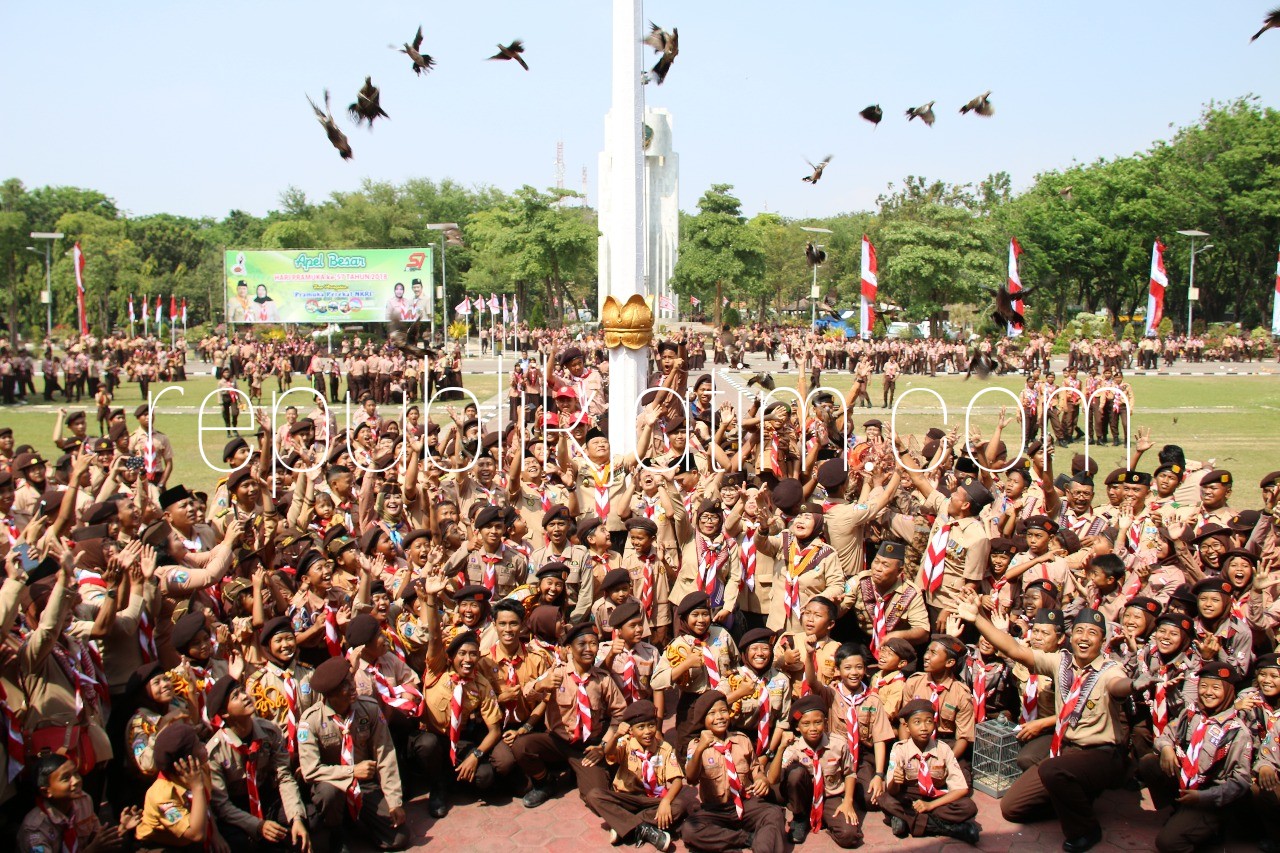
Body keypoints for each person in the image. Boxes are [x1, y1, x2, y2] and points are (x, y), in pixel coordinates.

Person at [958, 590, 1143, 853]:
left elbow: (1119, 686)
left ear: (1103, 640)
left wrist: (1133, 685)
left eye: (1092, 633)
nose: (1084, 638)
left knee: (1052, 770)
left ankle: (1086, 829)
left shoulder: (1110, 669)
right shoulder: (1062, 661)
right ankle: (1074, 800)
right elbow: (1015, 650)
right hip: (1065, 747)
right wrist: (977, 619)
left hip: (1102, 754)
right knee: (1012, 808)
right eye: (1080, 631)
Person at [1137, 662, 1253, 853]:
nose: (1208, 692)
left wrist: (1203, 797)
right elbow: (1166, 734)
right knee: (1149, 763)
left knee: (1168, 843)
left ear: (1229, 691)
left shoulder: (1237, 732)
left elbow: (1241, 781)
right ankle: (1179, 810)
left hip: (1209, 796)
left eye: (1216, 688)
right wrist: (1166, 748)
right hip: (1185, 782)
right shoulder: (1191, 714)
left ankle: (1211, 827)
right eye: (1203, 686)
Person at [297, 657, 409, 852]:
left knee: (398, 839)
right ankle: (336, 831)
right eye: (345, 685)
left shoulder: (369, 709)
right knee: (328, 794)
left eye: (351, 680)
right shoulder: (311, 721)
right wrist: (352, 772)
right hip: (333, 785)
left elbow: (386, 754)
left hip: (364, 786)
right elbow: (310, 771)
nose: (353, 687)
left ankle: (357, 820)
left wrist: (394, 801)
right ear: (330, 694)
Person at [204, 676, 312, 852]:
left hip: (267, 797)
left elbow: (284, 777)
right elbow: (222, 806)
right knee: (239, 843)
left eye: (242, 691)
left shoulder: (270, 731)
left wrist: (297, 818)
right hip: (237, 808)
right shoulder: (215, 752)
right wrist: (258, 825)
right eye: (235, 697)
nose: (245, 696)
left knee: (302, 824)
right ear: (224, 713)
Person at [680, 690, 787, 853]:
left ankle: (761, 849)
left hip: (746, 802)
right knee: (690, 829)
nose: (719, 717)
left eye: (723, 711)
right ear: (703, 719)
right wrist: (701, 747)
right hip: (716, 809)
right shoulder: (695, 746)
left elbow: (756, 770)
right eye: (712, 713)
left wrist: (761, 780)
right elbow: (691, 778)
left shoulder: (742, 740)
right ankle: (746, 838)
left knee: (774, 814)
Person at [587, 699, 693, 851]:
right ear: (631, 730)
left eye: (651, 725)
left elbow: (677, 780)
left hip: (652, 801)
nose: (647, 731)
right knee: (594, 795)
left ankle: (623, 824)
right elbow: (609, 753)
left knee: (679, 805)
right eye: (641, 727)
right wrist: (616, 735)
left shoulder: (665, 748)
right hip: (627, 799)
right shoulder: (625, 743)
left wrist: (665, 801)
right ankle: (644, 828)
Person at [878, 699, 980, 843]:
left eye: (929, 721)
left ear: (934, 724)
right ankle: (950, 829)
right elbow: (893, 791)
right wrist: (896, 781)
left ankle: (906, 823)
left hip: (935, 796)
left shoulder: (943, 749)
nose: (924, 727)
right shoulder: (899, 749)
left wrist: (930, 805)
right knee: (886, 801)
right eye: (917, 722)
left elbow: (961, 789)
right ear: (906, 727)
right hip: (910, 797)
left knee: (968, 807)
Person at [768, 694, 864, 847]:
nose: (812, 728)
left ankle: (824, 819)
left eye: (818, 722)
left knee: (850, 836)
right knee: (795, 773)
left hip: (830, 796)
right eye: (805, 724)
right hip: (804, 800)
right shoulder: (793, 747)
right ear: (797, 727)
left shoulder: (838, 744)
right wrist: (780, 748)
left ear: (825, 723)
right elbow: (772, 780)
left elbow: (850, 773)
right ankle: (800, 817)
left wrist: (848, 801)